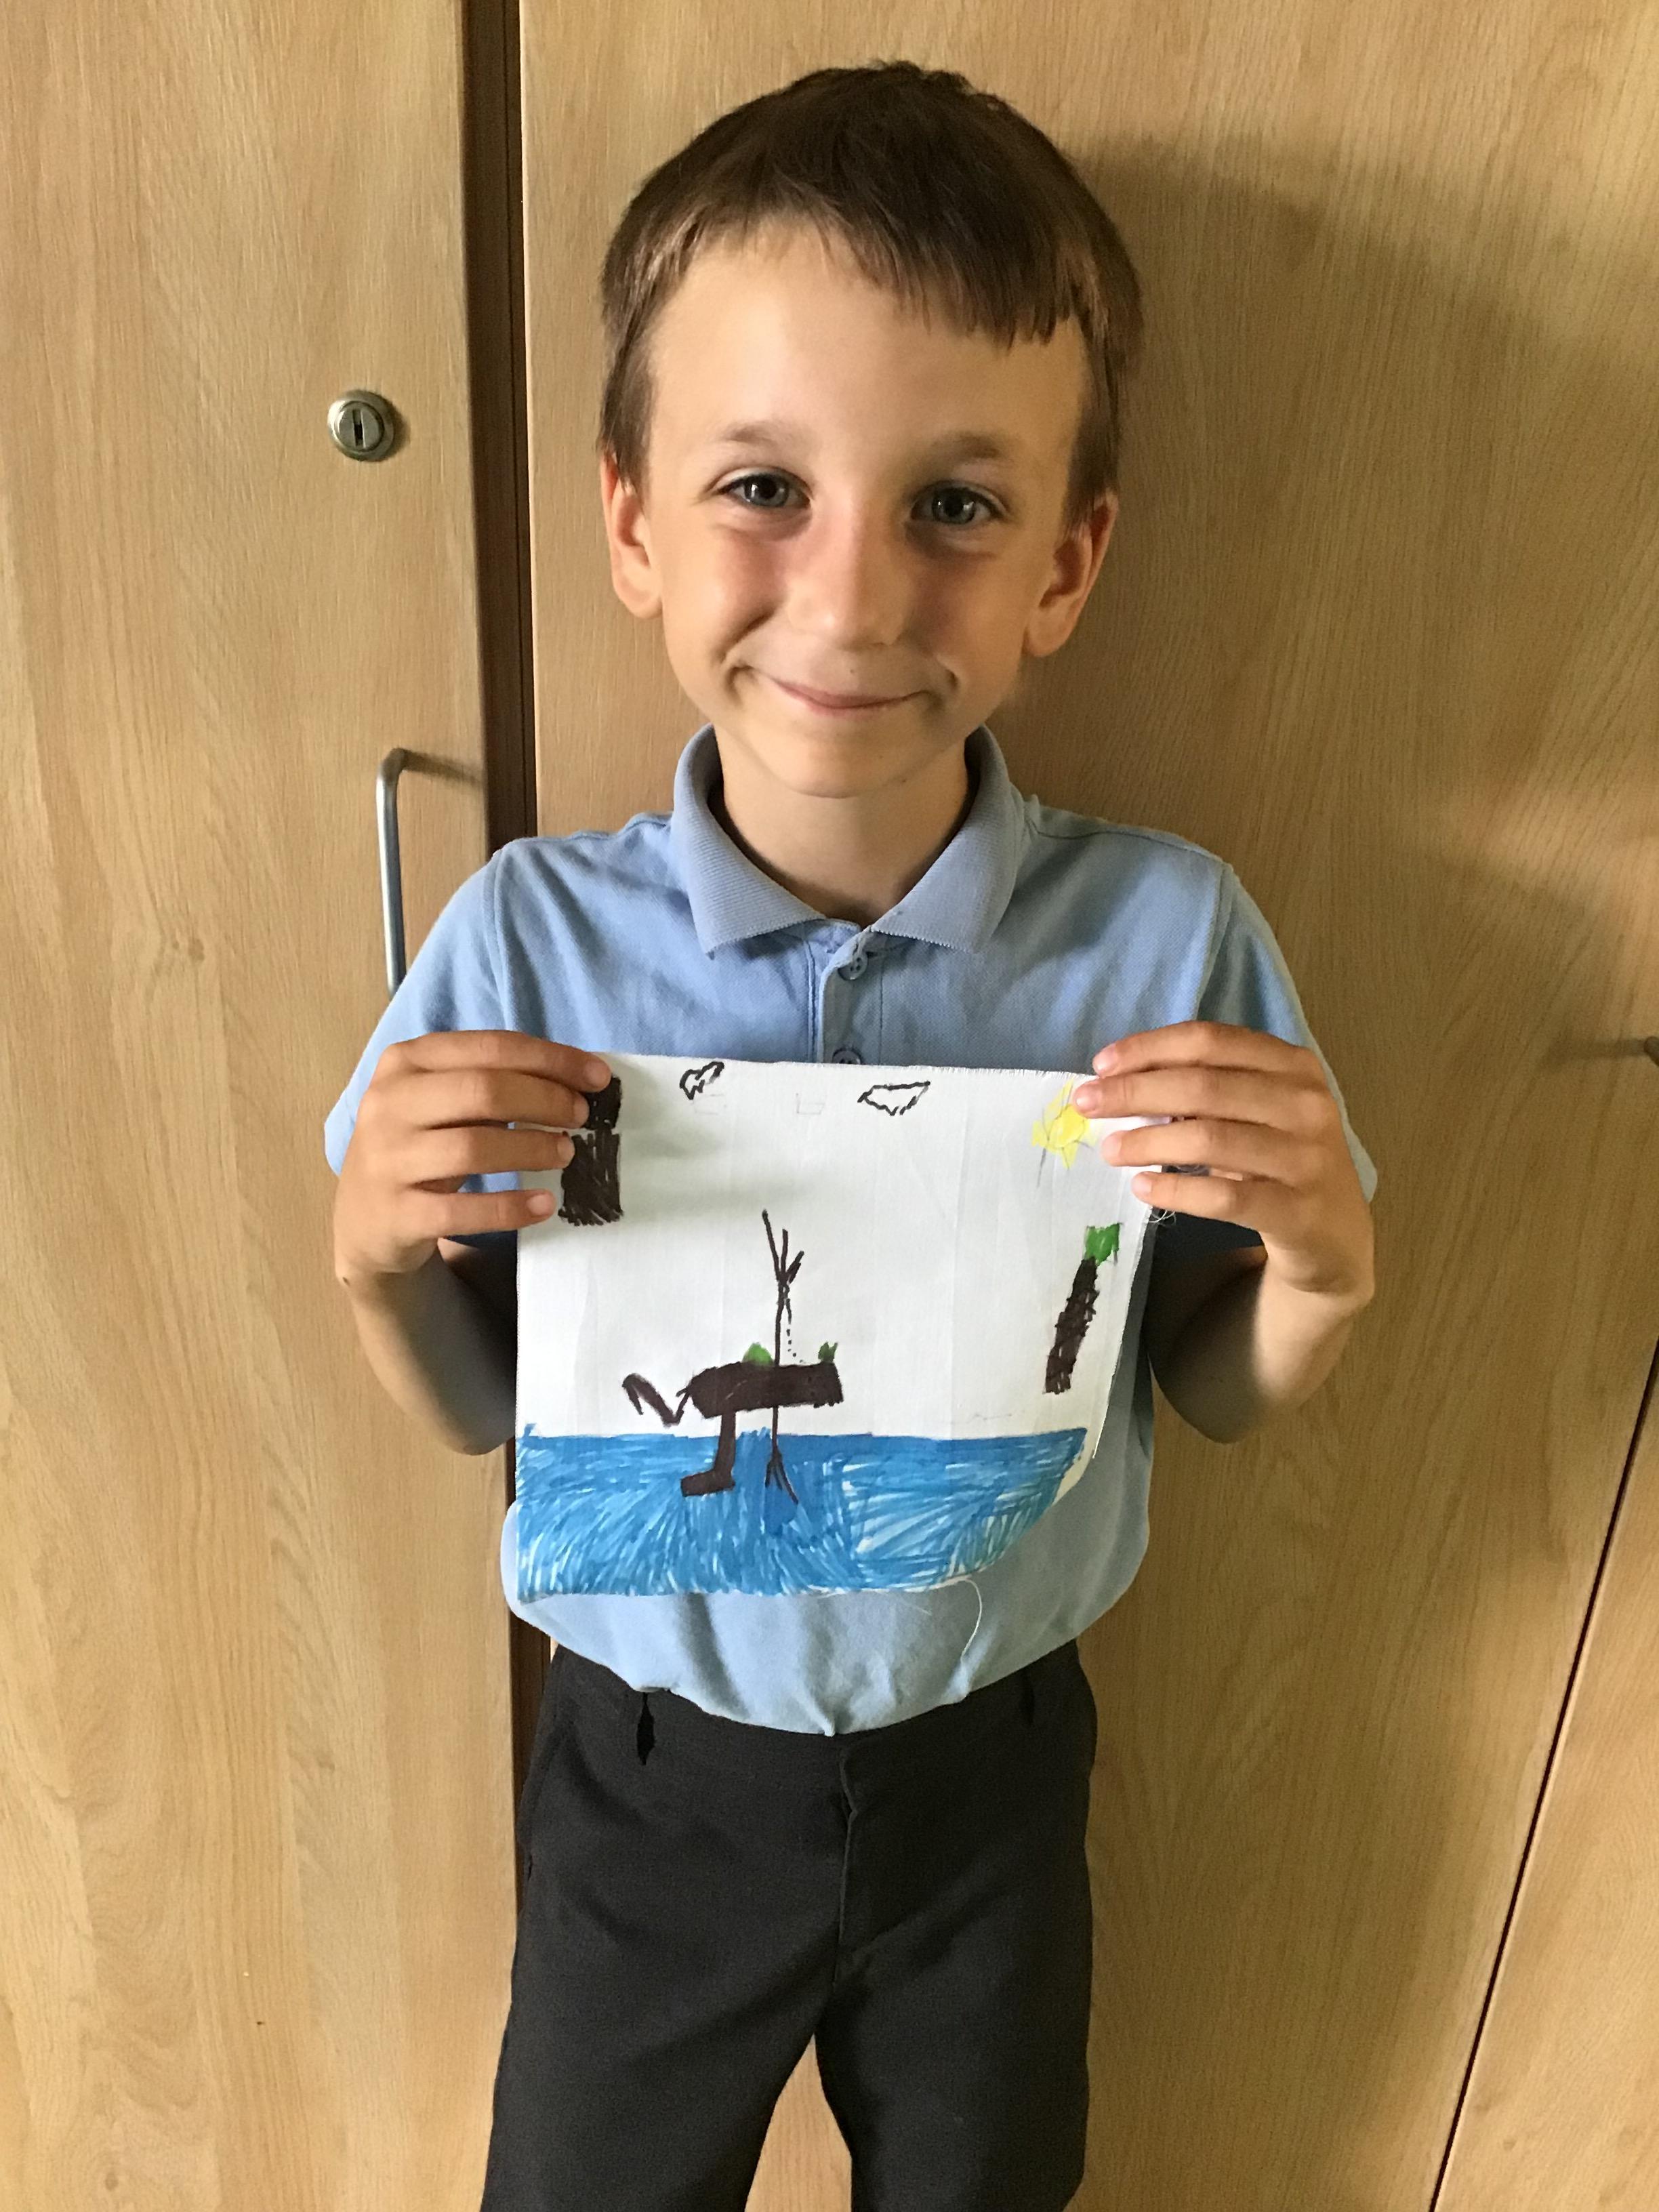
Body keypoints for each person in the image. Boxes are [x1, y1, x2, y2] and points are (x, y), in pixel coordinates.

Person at [324, 60, 1377, 2212]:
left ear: (1067, 563)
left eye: (956, 507)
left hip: (992, 1769)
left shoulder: (1163, 940)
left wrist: (1324, 1277)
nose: (856, 594)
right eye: (762, 486)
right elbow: (473, 1407)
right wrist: (371, 1257)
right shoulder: (528, 940)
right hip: (647, 1779)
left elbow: (1208, 1388)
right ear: (634, 520)